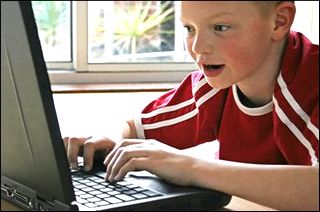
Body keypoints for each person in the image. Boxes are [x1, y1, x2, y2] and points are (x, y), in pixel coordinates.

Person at [63, 1, 319, 211]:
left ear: (279, 22)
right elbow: (133, 127)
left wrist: (190, 168)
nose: (197, 48)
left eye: (220, 27)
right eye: (189, 28)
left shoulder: (310, 80)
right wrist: (108, 137)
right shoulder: (215, 85)